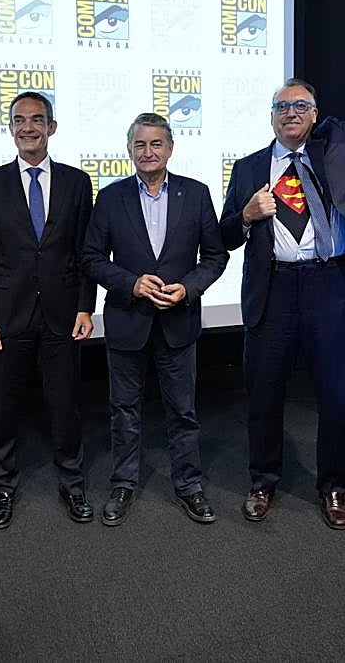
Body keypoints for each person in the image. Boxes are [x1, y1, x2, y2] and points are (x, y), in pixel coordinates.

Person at [220, 0, 345, 529]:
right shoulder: (249, 168)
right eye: (282, 106)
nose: (290, 113)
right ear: (271, 117)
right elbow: (223, 235)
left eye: (300, 106)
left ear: (316, 115)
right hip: (272, 290)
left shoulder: (339, 144)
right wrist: (247, 214)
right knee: (264, 395)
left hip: (328, 286)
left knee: (337, 396)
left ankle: (334, 486)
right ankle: (262, 481)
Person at [82, 113, 228, 526]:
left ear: (170, 148)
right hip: (128, 319)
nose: (148, 152)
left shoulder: (196, 194)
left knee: (182, 411)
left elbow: (215, 257)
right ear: (129, 150)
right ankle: (123, 484)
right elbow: (91, 258)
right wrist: (131, 284)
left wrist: (187, 288)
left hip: (178, 321)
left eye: (156, 144)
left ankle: (189, 486)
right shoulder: (110, 197)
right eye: (140, 145)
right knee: (123, 410)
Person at [0, 91, 96, 529]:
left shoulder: (77, 182)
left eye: (37, 119)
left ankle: (73, 485)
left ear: (51, 127)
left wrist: (85, 307)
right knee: (4, 407)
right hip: (7, 316)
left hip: (63, 314)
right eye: (20, 120)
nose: (28, 127)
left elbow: (85, 252)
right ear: (10, 128)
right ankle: (2, 488)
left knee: (66, 405)